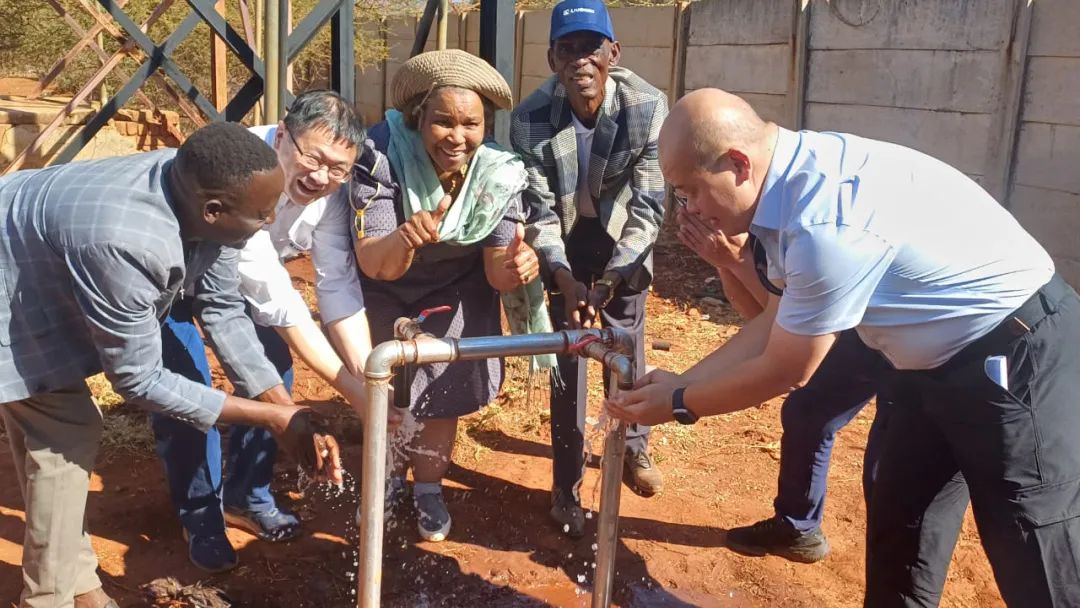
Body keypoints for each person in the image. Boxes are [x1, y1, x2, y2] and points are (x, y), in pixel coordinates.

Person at [607, 88, 1080, 607]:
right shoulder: (786, 189)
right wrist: (684, 380)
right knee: (901, 526)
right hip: (921, 365)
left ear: (738, 165)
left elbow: (787, 368)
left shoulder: (824, 223)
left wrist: (680, 403)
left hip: (1016, 355)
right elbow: (774, 321)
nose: (689, 209)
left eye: (690, 192)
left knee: (1032, 546)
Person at [0, 122, 342, 608]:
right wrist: (269, 417)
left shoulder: (207, 185)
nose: (270, 221)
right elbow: (137, 378)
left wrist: (287, 411)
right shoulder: (129, 242)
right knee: (64, 432)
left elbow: (221, 307)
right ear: (214, 211)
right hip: (10, 278)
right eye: (262, 214)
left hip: (31, 254)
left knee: (60, 438)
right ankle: (47, 599)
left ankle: (80, 584)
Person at [150, 90, 371, 572]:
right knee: (187, 391)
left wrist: (367, 378)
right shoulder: (240, 167)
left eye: (338, 169)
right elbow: (273, 291)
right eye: (313, 158)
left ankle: (247, 494)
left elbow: (337, 284)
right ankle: (201, 515)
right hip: (174, 282)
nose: (321, 177)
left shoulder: (332, 194)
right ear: (282, 134)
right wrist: (351, 390)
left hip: (237, 287)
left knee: (273, 371)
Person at [338, 49, 540, 542]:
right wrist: (407, 237)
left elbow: (496, 272)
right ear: (418, 117)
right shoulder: (379, 154)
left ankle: (428, 490)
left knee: (444, 392)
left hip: (458, 286)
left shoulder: (497, 172)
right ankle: (384, 484)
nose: (457, 137)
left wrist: (518, 266)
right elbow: (374, 261)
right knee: (387, 394)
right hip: (386, 282)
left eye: (471, 124)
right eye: (443, 122)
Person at [511, 0, 667, 538]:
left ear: (613, 53)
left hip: (621, 237)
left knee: (625, 341)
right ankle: (566, 484)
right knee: (570, 352)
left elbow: (649, 206)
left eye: (592, 47)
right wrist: (562, 277)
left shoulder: (646, 106)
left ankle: (634, 448)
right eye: (568, 48)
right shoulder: (530, 118)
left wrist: (613, 279)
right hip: (565, 240)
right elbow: (539, 212)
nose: (581, 59)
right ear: (553, 59)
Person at [676, 208, 887, 563]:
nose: (695, 209)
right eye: (686, 198)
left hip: (887, 326)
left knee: (889, 455)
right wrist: (725, 263)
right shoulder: (750, 234)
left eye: (697, 194)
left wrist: (681, 398)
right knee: (808, 412)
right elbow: (761, 317)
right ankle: (797, 528)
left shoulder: (785, 228)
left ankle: (807, 530)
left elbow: (787, 354)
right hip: (853, 326)